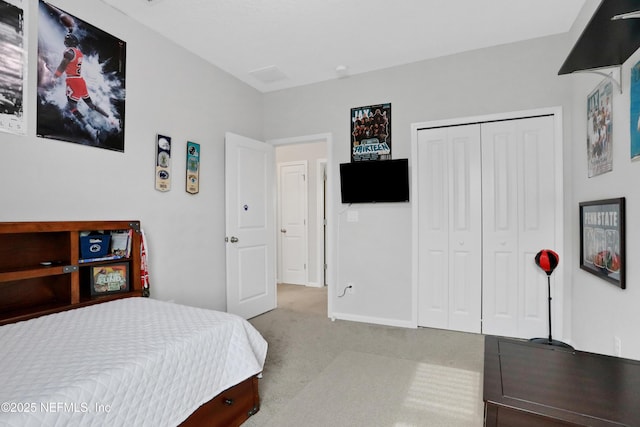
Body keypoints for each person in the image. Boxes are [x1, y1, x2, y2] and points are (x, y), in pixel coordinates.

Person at [53, 33, 116, 130]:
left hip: (73, 81)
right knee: (91, 105)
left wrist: (55, 76)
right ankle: (110, 118)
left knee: (73, 108)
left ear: (68, 42)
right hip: (80, 81)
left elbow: (63, 66)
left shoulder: (69, 52)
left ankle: (91, 131)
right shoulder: (79, 53)